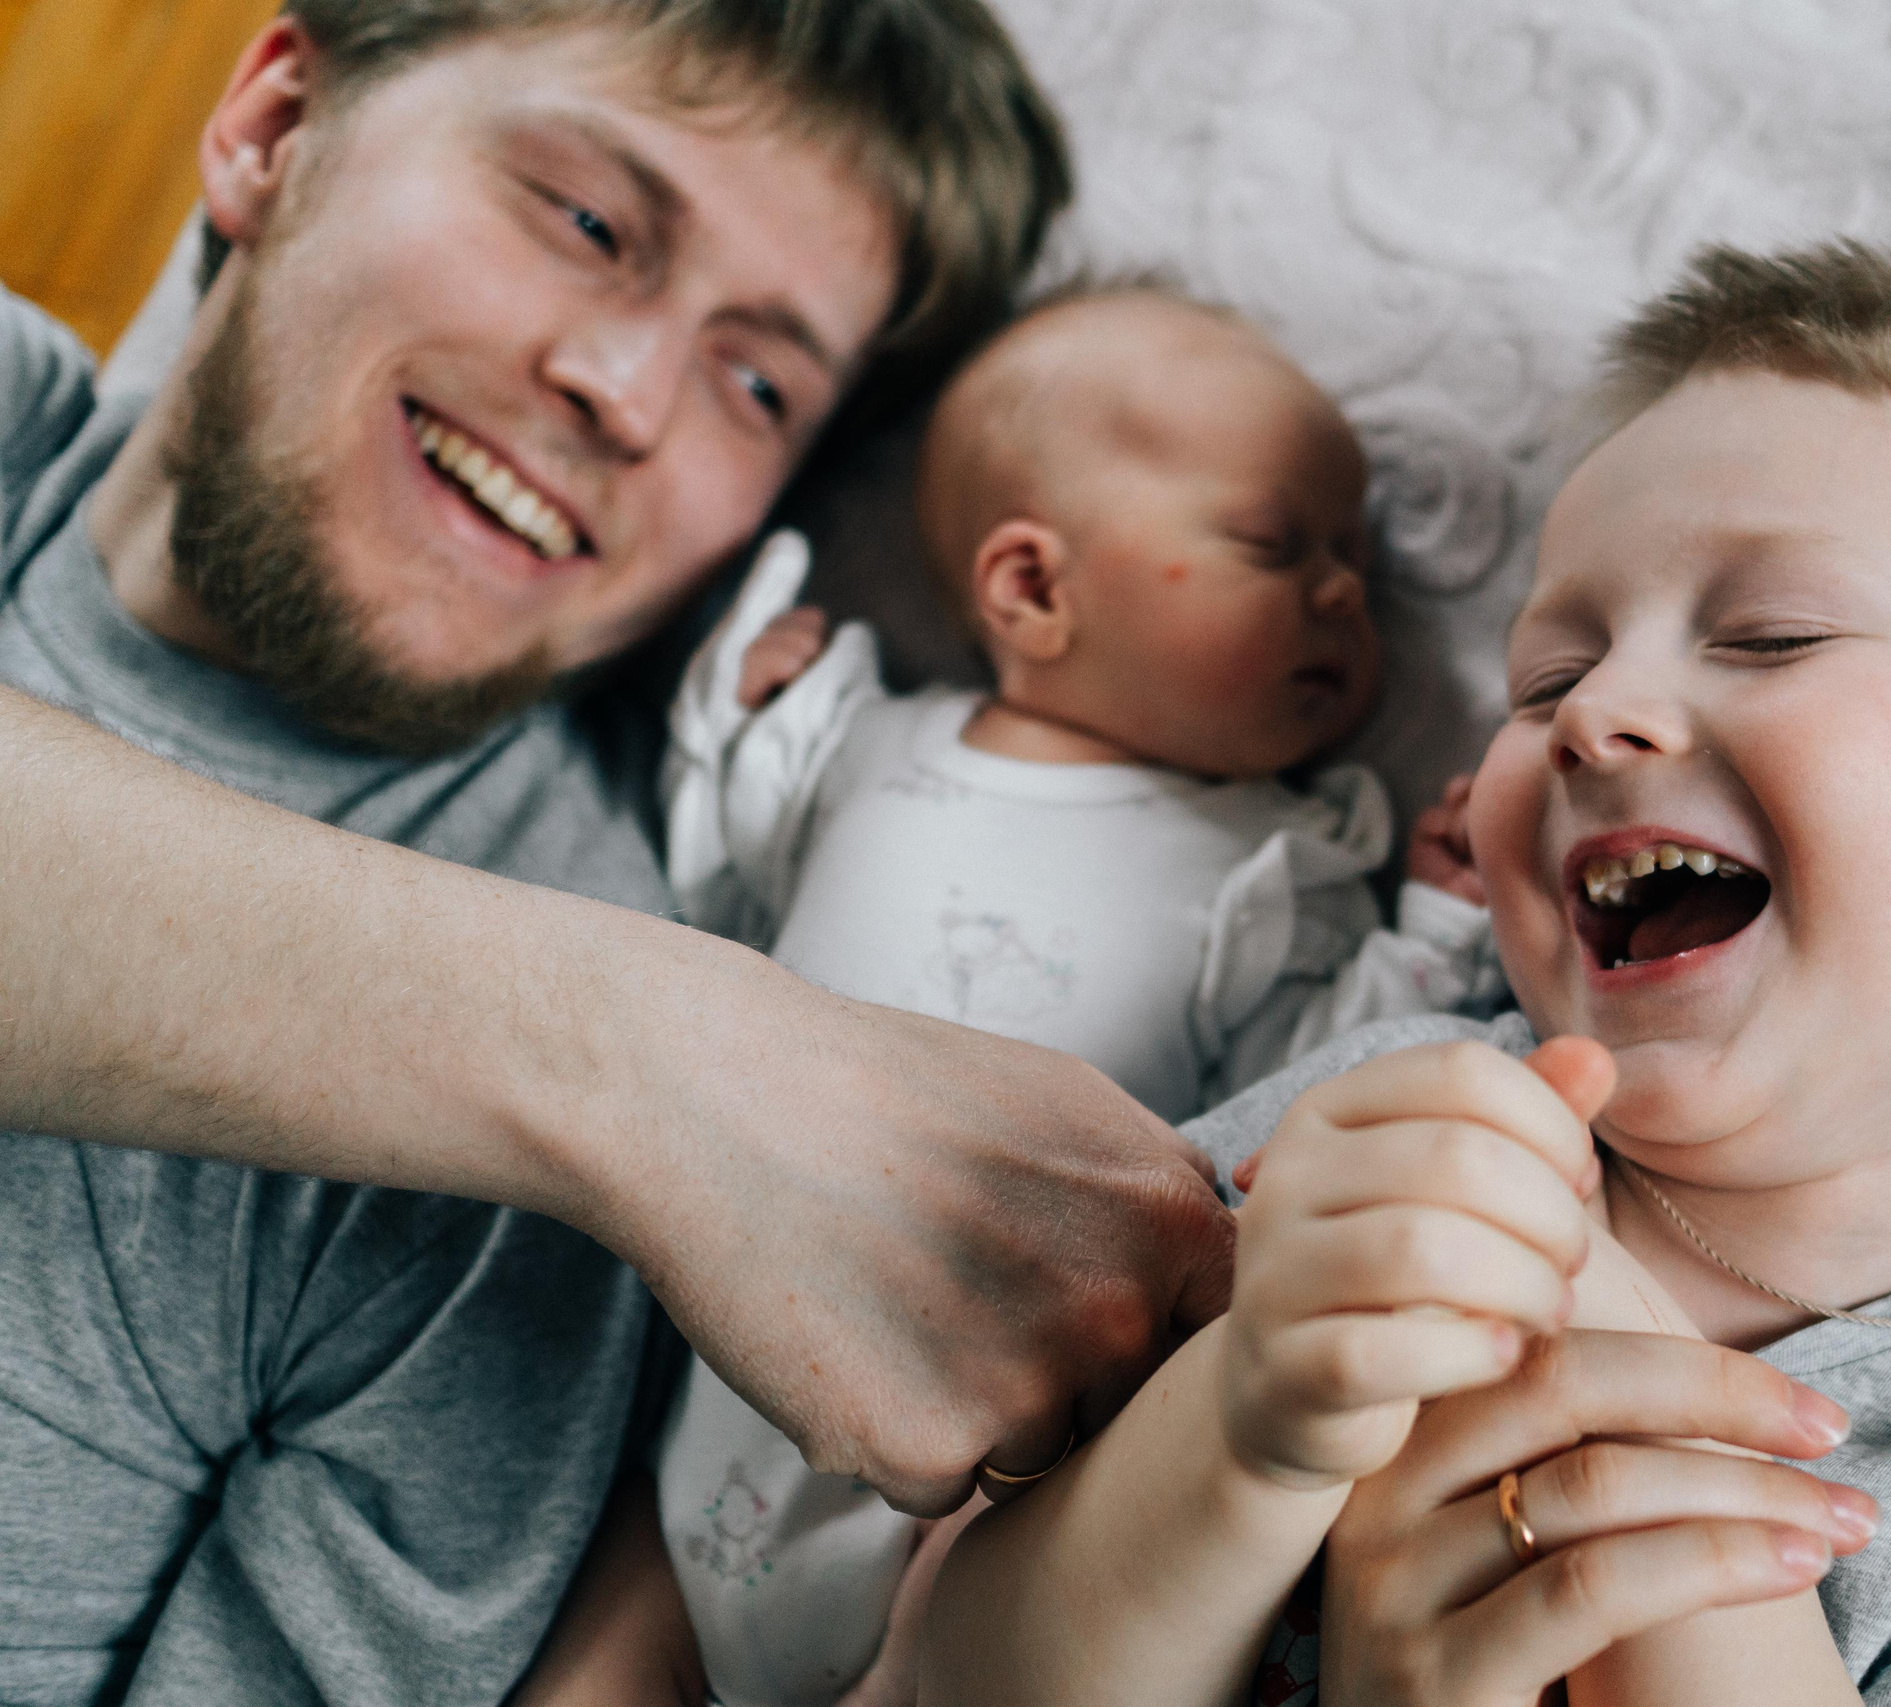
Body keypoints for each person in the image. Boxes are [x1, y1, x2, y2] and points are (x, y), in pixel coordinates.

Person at [0, 3, 1246, 1699]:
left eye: (758, 382)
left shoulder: (547, 1216)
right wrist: (637, 1058)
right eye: (588, 221)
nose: (626, 394)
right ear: (275, 127)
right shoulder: (662, 1104)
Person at [915, 241, 1891, 1705]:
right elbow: (925, 1656)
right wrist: (1246, 1428)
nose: (1597, 713)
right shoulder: (1390, 1120)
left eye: (1771, 638)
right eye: (1547, 681)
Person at [510, 282, 1506, 1707]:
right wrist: (739, 717)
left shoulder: (1271, 867)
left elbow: (1301, 1095)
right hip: (711, 1431)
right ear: (1033, 590)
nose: (1348, 593)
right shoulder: (863, 740)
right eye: (1275, 546)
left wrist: (1433, 929)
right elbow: (721, 883)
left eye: (1350, 556)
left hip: (979, 1495)